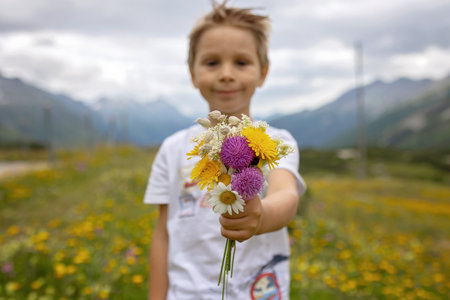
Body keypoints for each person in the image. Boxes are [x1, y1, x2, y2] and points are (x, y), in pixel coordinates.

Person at [144, 2, 306, 299]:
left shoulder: (276, 142)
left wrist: (261, 216)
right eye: (212, 63)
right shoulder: (174, 149)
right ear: (192, 73)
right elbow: (163, 234)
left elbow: (287, 195)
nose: (226, 74)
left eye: (241, 63)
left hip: (258, 290)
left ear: (263, 73)